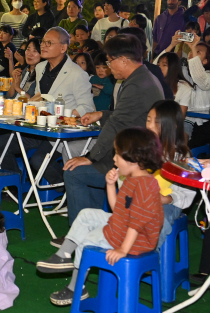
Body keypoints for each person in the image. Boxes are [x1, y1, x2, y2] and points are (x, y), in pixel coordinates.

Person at [37, 127, 164, 306]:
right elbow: (118, 209)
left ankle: (76, 288)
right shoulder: (133, 179)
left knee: (86, 243)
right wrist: (110, 185)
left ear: (134, 159)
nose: (113, 158)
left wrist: (123, 250)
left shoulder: (144, 186)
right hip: (124, 227)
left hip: (135, 240)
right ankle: (64, 255)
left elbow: (136, 223)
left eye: (118, 154)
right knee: (86, 214)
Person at [61, 34, 164, 247]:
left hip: (136, 159)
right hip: (134, 149)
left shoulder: (136, 85)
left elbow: (118, 124)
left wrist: (91, 157)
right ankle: (95, 230)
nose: (108, 66)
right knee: (81, 169)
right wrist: (101, 114)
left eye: (110, 61)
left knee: (75, 172)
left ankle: (80, 238)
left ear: (124, 60)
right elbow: (126, 115)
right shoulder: (142, 78)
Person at [0, 27, 94, 186]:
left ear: (63, 47)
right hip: (39, 128)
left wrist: (63, 115)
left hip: (62, 133)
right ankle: (16, 185)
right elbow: (41, 97)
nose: (43, 46)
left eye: (49, 43)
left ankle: (65, 188)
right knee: (0, 144)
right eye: (43, 42)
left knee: (39, 159)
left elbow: (87, 107)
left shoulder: (77, 73)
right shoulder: (40, 68)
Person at [145, 100, 196, 248]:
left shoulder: (181, 156)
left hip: (169, 203)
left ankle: (151, 262)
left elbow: (187, 193)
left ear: (172, 125)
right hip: (141, 198)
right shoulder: (142, 147)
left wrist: (167, 199)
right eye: (148, 120)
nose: (150, 126)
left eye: (157, 122)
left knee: (158, 219)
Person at [180, 35, 210, 149]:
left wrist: (192, 48)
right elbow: (160, 68)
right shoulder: (183, 71)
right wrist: (172, 45)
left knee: (193, 148)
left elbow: (201, 79)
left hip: (205, 121)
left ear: (206, 60)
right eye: (192, 51)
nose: (192, 53)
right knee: (178, 145)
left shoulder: (208, 75)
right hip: (186, 118)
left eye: (198, 52)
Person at [157, 53, 193, 126]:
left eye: (164, 65)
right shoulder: (154, 83)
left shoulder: (184, 88)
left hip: (175, 124)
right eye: (158, 65)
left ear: (173, 67)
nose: (160, 68)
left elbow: (180, 117)